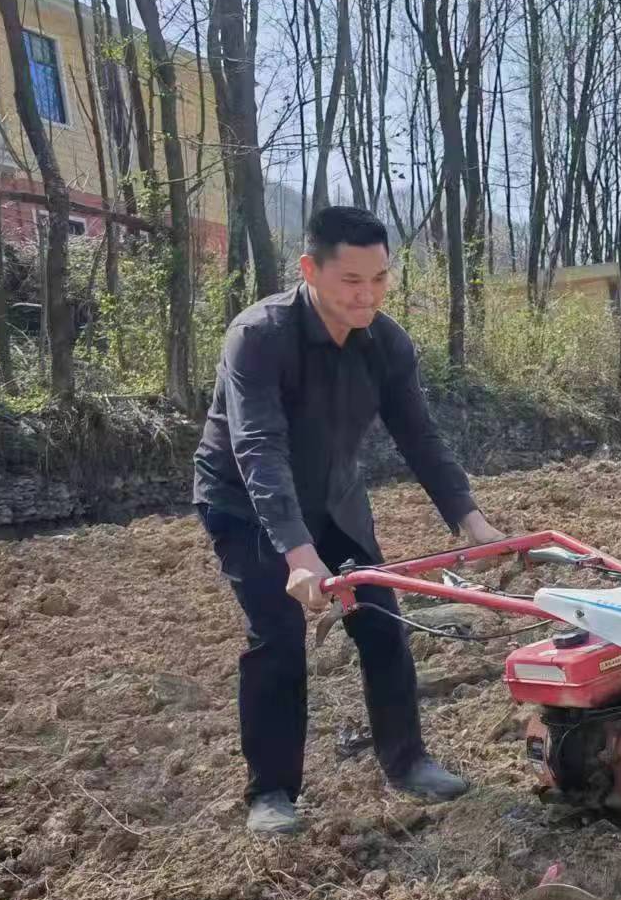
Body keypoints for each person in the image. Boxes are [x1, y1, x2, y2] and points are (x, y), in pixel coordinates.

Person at [192, 205, 506, 836]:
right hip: (247, 505)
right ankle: (272, 793)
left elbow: (420, 436)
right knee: (278, 636)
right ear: (310, 269)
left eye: (380, 279)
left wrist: (472, 521)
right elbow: (259, 448)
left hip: (334, 497)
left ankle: (408, 761)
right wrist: (298, 555)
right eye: (352, 281)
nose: (368, 296)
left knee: (382, 620)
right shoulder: (259, 337)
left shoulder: (385, 344)